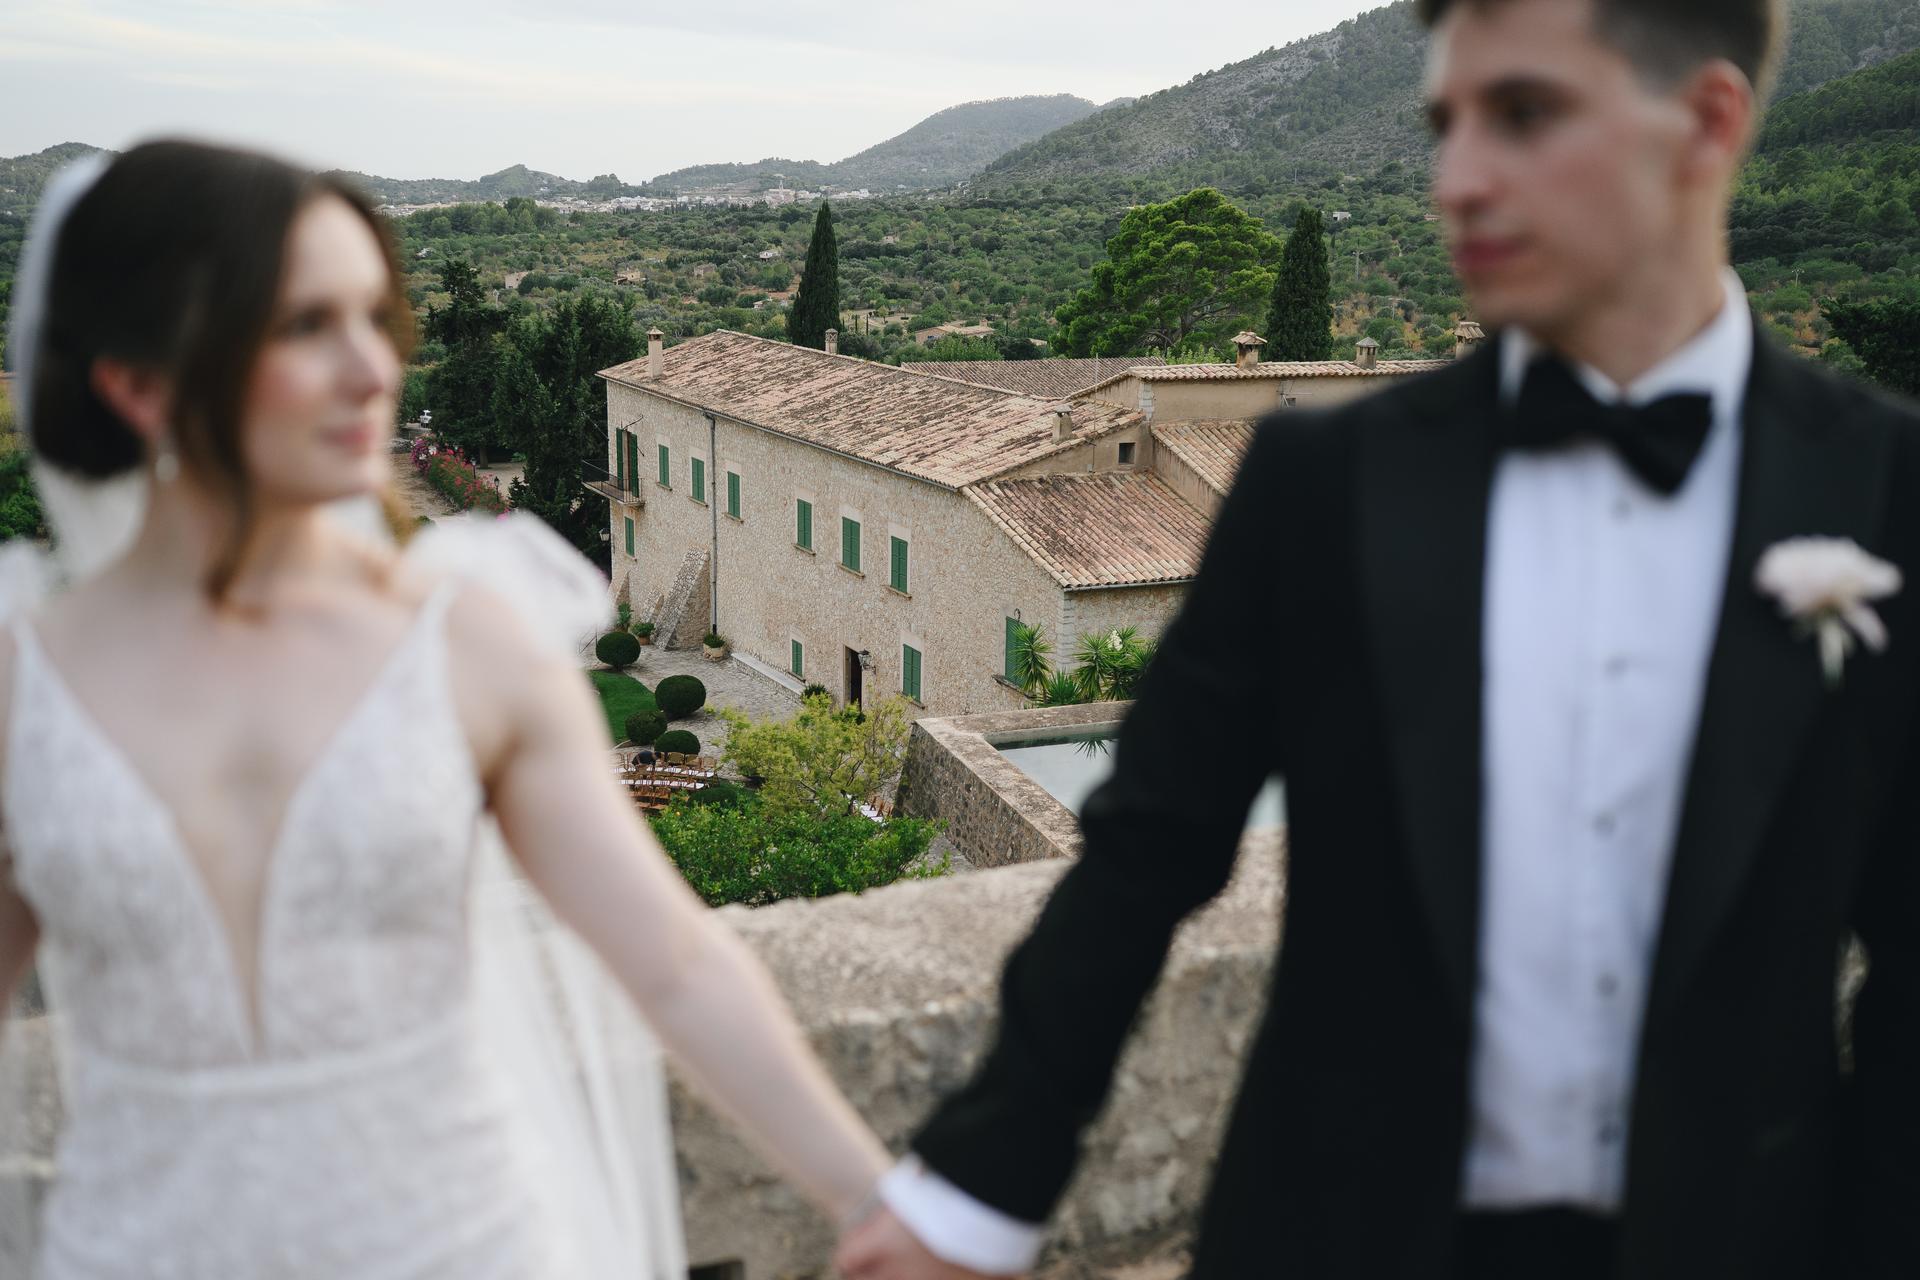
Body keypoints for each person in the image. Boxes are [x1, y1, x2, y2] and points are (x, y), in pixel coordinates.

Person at [838, 0, 1920, 1277]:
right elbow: (1144, 856)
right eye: (1444, 125)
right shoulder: (1322, 481)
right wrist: (974, 1195)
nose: (1457, 180)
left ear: (1706, 122)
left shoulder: (1885, 489)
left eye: (1523, 114)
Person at [0, 139, 890, 1278]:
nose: (373, 368)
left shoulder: (472, 644)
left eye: (374, 318)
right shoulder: (27, 688)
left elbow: (675, 961)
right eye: (305, 326)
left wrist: (878, 1199)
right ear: (140, 382)